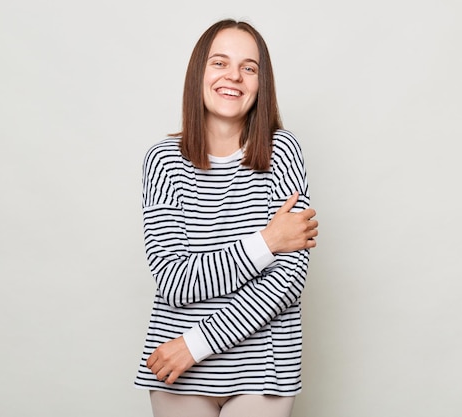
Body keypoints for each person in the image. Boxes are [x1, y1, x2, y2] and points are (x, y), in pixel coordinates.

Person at [134, 18, 319, 417]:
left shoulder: (282, 151)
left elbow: (288, 280)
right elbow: (173, 279)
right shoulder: (163, 160)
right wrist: (266, 242)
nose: (233, 76)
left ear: (260, 83)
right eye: (219, 63)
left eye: (249, 68)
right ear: (198, 72)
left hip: (261, 367)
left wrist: (196, 343)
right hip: (176, 365)